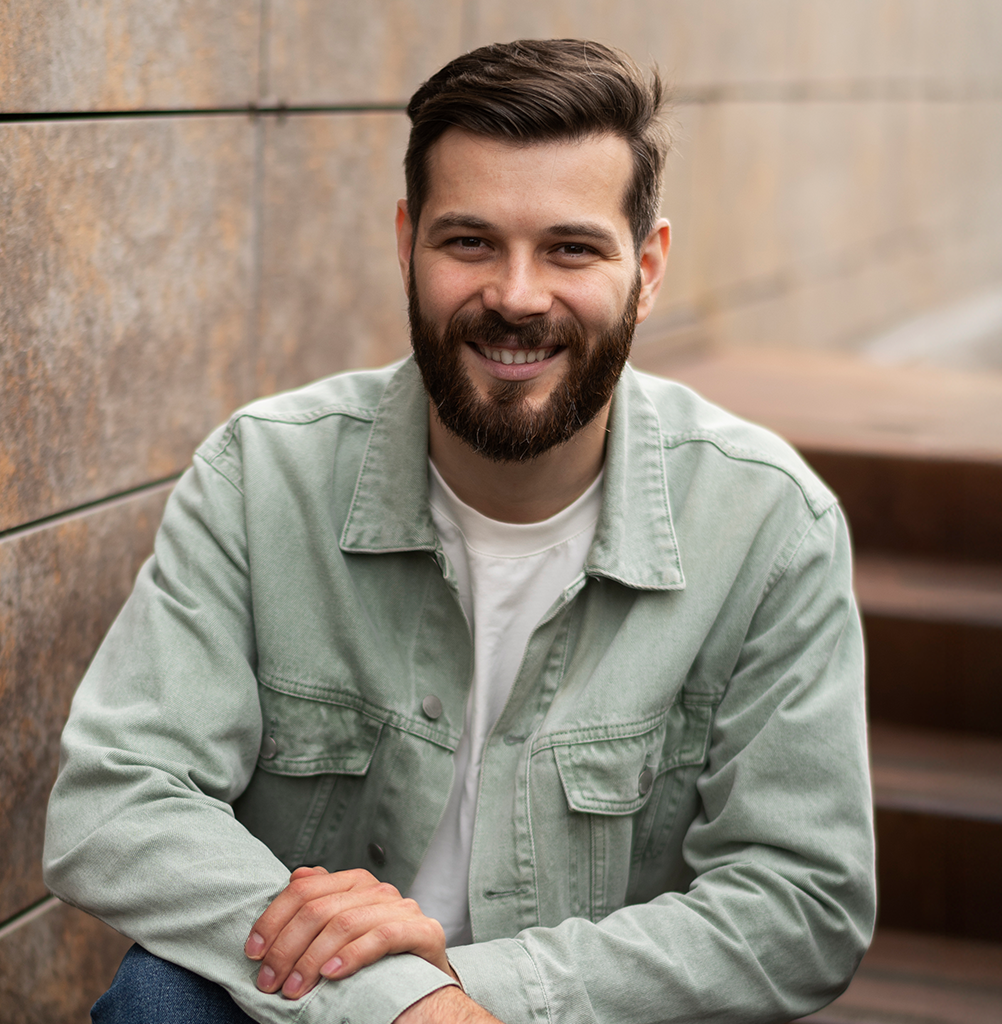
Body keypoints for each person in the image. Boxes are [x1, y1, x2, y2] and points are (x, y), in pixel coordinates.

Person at [44, 38, 875, 1024]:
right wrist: (395, 1003)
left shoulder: (766, 524)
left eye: (570, 248)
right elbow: (114, 804)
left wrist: (461, 993)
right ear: (408, 246)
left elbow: (802, 903)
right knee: (159, 999)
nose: (518, 295)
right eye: (470, 241)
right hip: (320, 1012)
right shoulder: (265, 474)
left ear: (645, 269)